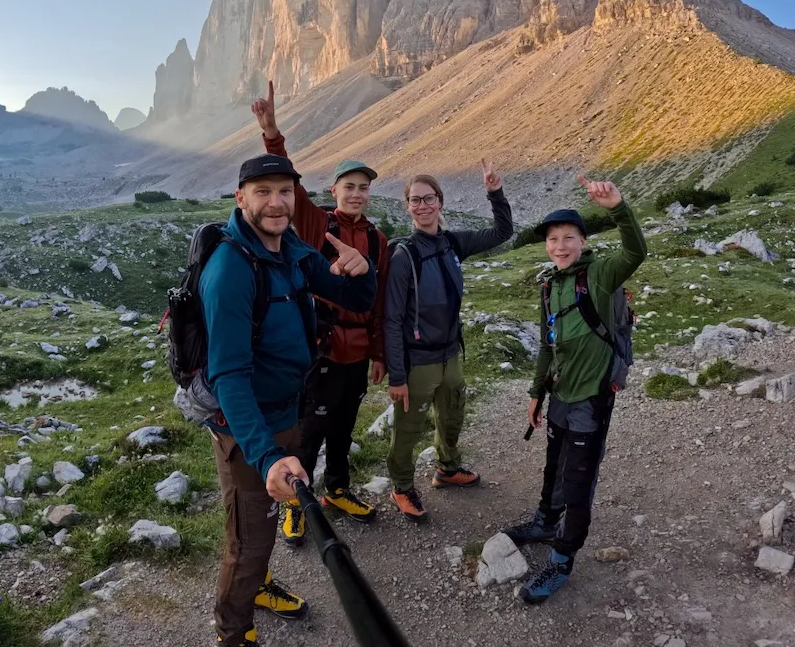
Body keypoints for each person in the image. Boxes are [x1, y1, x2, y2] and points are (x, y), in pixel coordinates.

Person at [202, 152, 377, 647]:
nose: (276, 202)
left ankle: (256, 588)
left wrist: (362, 270)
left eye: (285, 191)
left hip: (288, 411)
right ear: (241, 199)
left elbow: (357, 300)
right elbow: (229, 377)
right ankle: (233, 634)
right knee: (249, 540)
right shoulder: (230, 270)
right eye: (263, 192)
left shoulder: (292, 249)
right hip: (247, 431)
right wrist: (267, 457)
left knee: (264, 527)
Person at [251, 81, 389, 547]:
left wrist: (379, 353)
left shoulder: (377, 239)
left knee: (344, 426)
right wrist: (273, 135)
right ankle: (296, 503)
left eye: (363, 188)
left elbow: (378, 299)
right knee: (309, 430)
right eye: (349, 186)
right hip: (322, 348)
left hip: (358, 352)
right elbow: (289, 183)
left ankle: (337, 489)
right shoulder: (317, 222)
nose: (357, 194)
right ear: (335, 190)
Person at [505, 175, 647, 604]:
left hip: (591, 398)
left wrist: (618, 207)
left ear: (583, 242)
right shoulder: (550, 285)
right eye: (553, 239)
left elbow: (635, 252)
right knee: (554, 467)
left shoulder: (600, 276)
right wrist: (536, 393)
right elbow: (546, 345)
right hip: (560, 396)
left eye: (568, 238)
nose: (560, 246)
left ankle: (562, 559)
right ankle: (545, 522)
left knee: (579, 481)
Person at [384, 166, 513, 520]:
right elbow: (391, 319)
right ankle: (402, 487)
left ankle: (448, 468)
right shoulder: (404, 256)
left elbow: (503, 231)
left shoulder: (453, 242)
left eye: (429, 198)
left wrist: (495, 193)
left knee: (452, 415)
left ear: (440, 202)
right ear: (407, 207)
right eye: (415, 200)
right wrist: (397, 376)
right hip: (418, 361)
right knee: (408, 429)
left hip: (451, 353)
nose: (423, 205)